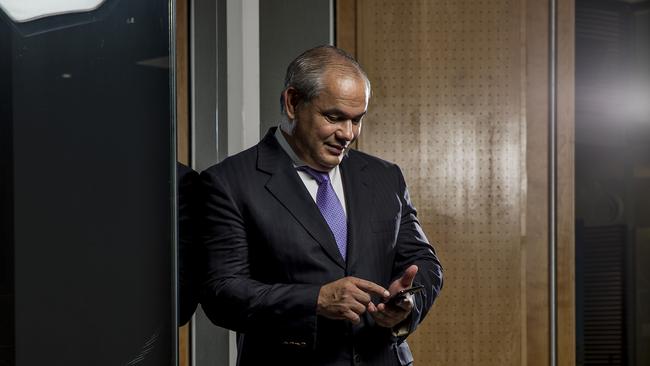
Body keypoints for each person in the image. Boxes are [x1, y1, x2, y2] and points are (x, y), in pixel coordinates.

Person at [199, 45, 443, 366]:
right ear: (292, 102)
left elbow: (423, 261)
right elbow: (222, 295)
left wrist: (406, 302)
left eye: (358, 120)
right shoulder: (228, 182)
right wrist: (316, 299)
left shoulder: (387, 177)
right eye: (334, 117)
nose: (348, 134)